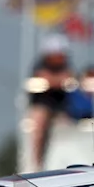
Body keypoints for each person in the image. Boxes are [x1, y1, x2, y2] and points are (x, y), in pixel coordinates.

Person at [25, 33, 75, 170]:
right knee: (39, 125)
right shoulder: (40, 67)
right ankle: (37, 164)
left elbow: (68, 79)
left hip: (61, 108)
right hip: (43, 107)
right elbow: (48, 79)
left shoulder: (65, 67)